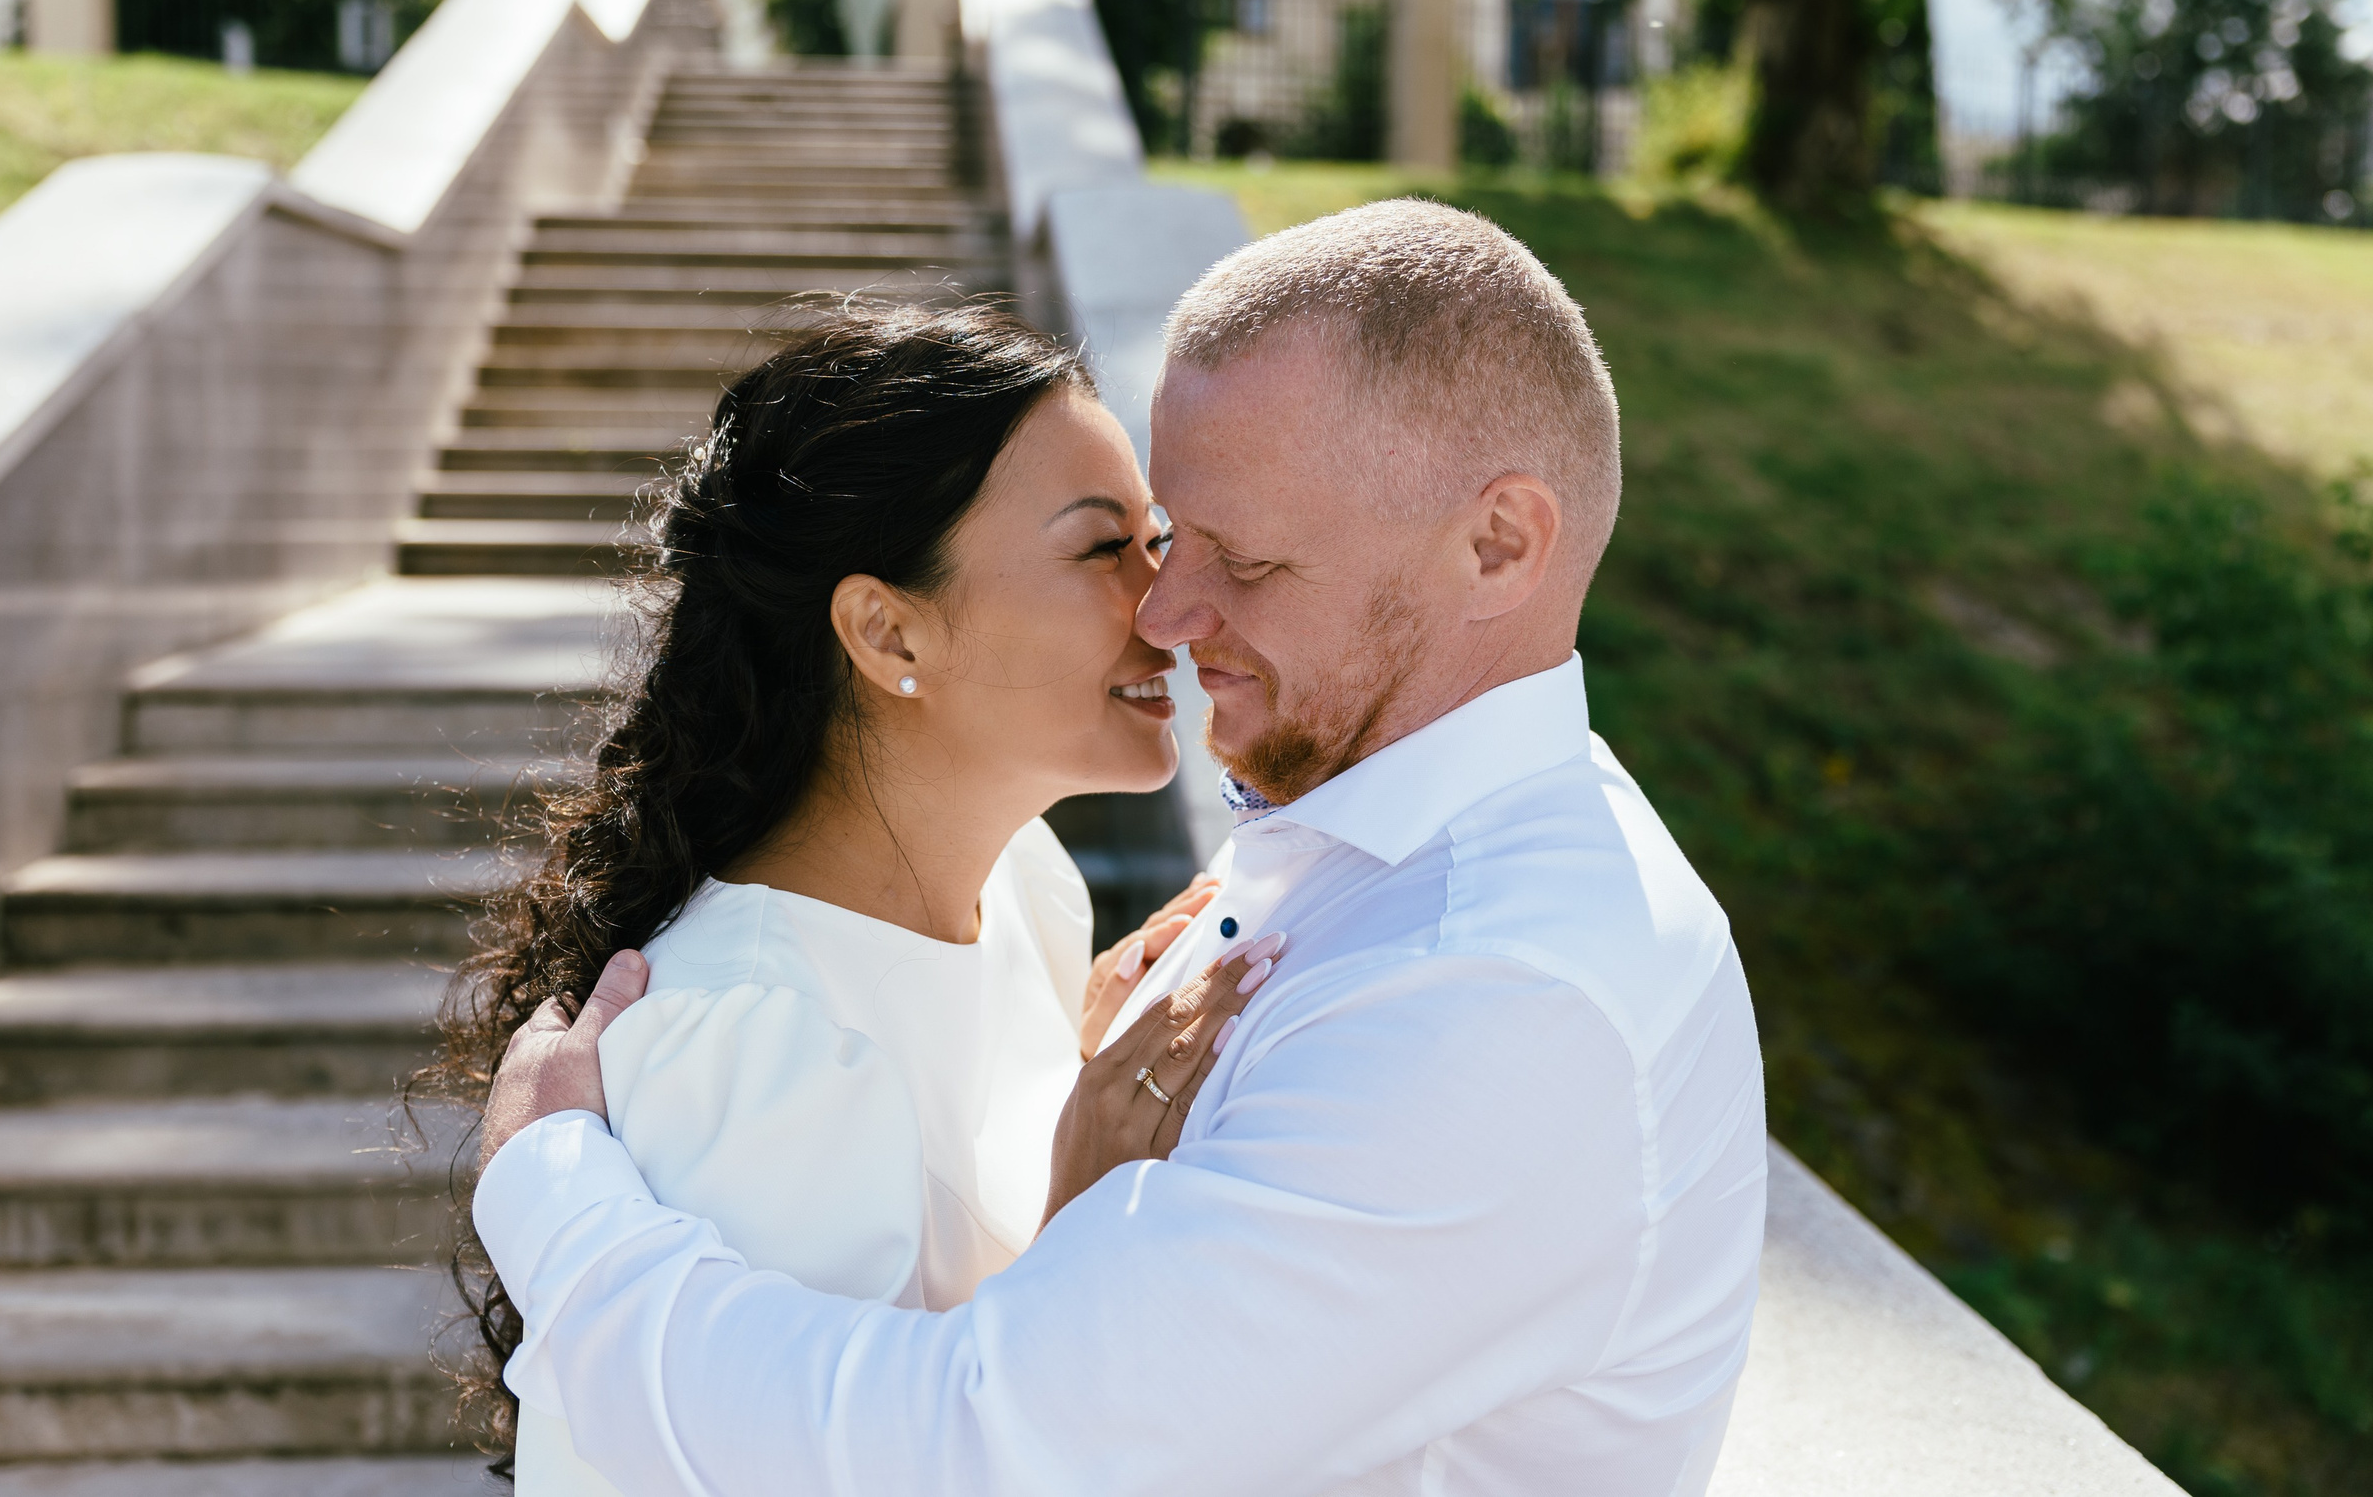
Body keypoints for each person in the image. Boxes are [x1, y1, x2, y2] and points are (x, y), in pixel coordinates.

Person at [476, 200, 1770, 1495]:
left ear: (1497, 544)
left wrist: (550, 1197)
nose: (1167, 608)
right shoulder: (1311, 874)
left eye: (1239, 558)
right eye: (1145, 540)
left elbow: (986, 1447)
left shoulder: (1496, 985)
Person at [426, 305, 1277, 1491]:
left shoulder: (1028, 891)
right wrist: (1086, 1213)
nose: (1170, 598)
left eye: (1159, 536)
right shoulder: (760, 1040)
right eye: (1102, 549)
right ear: (886, 630)